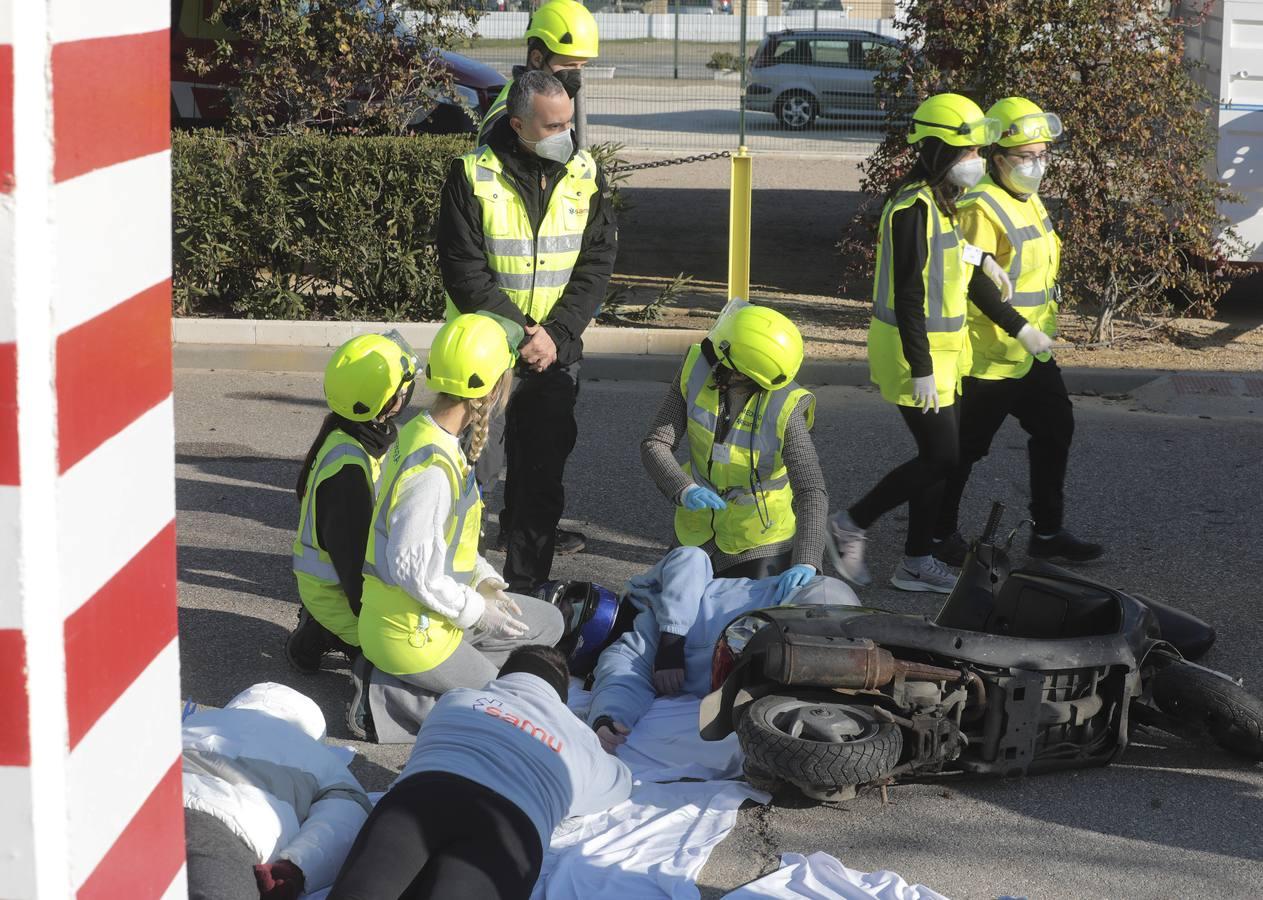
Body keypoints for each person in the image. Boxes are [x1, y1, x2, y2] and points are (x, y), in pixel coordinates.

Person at [826, 93, 1054, 594]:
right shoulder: (911, 207)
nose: (976, 162)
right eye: (968, 152)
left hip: (945, 356)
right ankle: (850, 523)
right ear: (936, 150)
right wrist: (922, 366)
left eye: (978, 151)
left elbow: (954, 261)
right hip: (914, 357)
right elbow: (909, 295)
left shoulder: (942, 201)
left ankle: (914, 562)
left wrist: (1011, 311)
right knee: (942, 458)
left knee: (939, 459)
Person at [438, 69, 618, 592]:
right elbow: (466, 273)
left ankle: (527, 591)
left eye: (568, 122)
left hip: (553, 357)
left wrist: (555, 337)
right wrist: (524, 334)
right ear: (518, 124)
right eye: (553, 125)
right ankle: (457, 590)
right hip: (483, 359)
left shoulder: (584, 172)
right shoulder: (471, 174)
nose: (568, 134)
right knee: (467, 481)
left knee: (540, 483)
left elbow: (596, 263)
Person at [352, 314, 566, 743]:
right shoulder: (432, 470)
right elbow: (413, 569)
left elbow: (450, 546)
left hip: (431, 611)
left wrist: (485, 582)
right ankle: (381, 698)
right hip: (411, 632)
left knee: (549, 623)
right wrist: (475, 610)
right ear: (491, 389)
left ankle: (450, 677)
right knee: (509, 713)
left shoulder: (427, 432)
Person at [932, 98, 1103, 566]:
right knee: (961, 453)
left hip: (1031, 355)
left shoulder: (1026, 197)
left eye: (1042, 155)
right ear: (998, 157)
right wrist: (1020, 329)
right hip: (989, 357)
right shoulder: (981, 207)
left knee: (1056, 428)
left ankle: (1047, 533)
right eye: (1026, 156)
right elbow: (971, 282)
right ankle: (936, 537)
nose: (1036, 165)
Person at [328, 645, 632, 900]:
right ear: (560, 698)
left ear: (503, 678)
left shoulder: (458, 698)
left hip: (422, 796)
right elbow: (620, 783)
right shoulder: (579, 737)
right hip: (511, 825)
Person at [586, 546, 859, 753]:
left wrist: (672, 640)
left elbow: (691, 557)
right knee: (825, 716)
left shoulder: (648, 590)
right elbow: (618, 679)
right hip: (769, 668)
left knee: (850, 651)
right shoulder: (631, 649)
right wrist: (607, 718)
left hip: (803, 604)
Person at [641, 300, 827, 598]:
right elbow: (655, 443)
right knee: (667, 611)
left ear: (740, 372)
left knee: (738, 630)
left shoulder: (786, 409)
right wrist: (683, 488)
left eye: (720, 352)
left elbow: (811, 490)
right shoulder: (695, 370)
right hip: (695, 531)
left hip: (758, 540)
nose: (710, 351)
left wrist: (806, 560)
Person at [287, 331, 417, 674]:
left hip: (336, 586)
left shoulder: (350, 437)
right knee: (411, 657)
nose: (408, 389)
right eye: (403, 385)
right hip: (339, 595)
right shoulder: (348, 475)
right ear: (388, 402)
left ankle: (322, 629)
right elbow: (356, 573)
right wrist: (387, 630)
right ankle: (340, 641)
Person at [183, 683, 371, 900]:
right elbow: (344, 819)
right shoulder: (321, 757)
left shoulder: (197, 721)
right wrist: (293, 868)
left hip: (155, 806)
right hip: (224, 831)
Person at [475, 0, 600, 145]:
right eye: (569, 65)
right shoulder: (506, 117)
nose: (577, 75)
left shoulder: (542, 104)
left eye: (581, 66)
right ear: (537, 58)